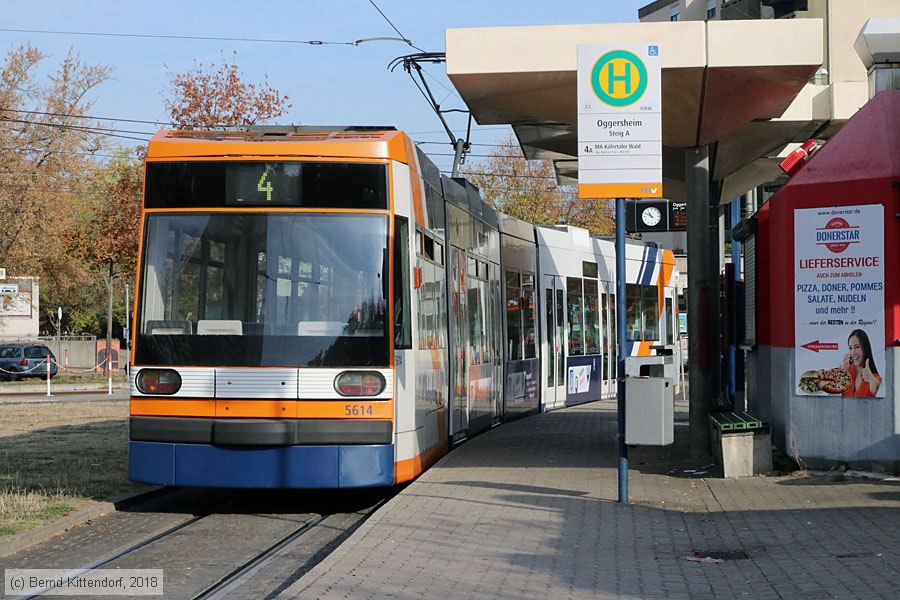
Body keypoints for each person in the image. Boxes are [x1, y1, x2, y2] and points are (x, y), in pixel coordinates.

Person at [841, 328, 881, 397]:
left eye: (857, 347)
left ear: (865, 348)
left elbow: (876, 386)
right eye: (850, 348)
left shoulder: (873, 377)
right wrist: (842, 372)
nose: (853, 352)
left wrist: (871, 379)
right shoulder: (846, 370)